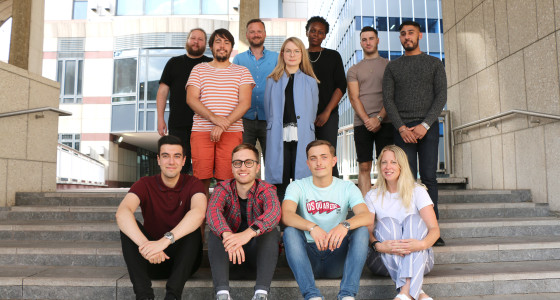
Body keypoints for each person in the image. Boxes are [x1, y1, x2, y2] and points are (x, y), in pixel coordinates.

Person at [116, 135, 207, 300]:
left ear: (184, 160)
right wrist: (148, 246)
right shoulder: (144, 184)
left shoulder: (194, 183)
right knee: (127, 227)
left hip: (185, 262)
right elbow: (122, 213)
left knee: (192, 229)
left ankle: (172, 296)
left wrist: (163, 242)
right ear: (158, 160)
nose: (171, 162)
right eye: (165, 156)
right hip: (151, 259)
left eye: (176, 156)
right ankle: (144, 296)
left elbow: (199, 213)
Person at [281, 140, 373, 300]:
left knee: (362, 230)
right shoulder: (297, 186)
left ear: (333, 160)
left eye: (324, 157)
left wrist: (344, 225)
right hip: (307, 257)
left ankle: (347, 295)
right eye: (313, 158)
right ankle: (312, 295)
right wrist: (312, 227)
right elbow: (286, 215)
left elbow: (366, 216)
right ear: (308, 163)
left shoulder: (348, 187)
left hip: (336, 255)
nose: (319, 163)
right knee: (289, 232)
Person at [382, 20, 447, 246]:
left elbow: (441, 97)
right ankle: (406, 227)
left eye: (411, 33)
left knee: (429, 177)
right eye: (402, 34)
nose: (406, 37)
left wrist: (426, 125)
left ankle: (433, 231)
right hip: (402, 129)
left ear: (419, 36)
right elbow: (388, 100)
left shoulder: (434, 63)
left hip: (427, 128)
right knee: (404, 180)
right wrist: (401, 127)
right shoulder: (393, 67)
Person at [206, 143, 281, 300]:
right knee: (215, 232)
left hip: (258, 261)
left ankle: (261, 294)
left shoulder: (266, 189)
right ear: (232, 167)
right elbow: (212, 212)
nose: (242, 167)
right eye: (237, 163)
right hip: (228, 260)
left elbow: (274, 213)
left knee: (271, 231)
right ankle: (222, 295)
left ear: (257, 167)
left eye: (249, 162)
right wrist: (228, 236)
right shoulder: (223, 188)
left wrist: (247, 234)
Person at [364, 145, 440, 300]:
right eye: (384, 162)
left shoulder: (418, 191)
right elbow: (368, 232)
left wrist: (421, 245)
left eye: (393, 162)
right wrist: (378, 245)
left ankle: (405, 293)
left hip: (421, 256)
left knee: (413, 220)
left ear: (402, 165)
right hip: (383, 259)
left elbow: (434, 229)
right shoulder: (372, 195)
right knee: (388, 223)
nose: (388, 167)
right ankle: (417, 293)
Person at [187, 28, 255, 195]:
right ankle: (200, 221)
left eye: (227, 42)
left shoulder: (242, 72)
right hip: (202, 131)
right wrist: (216, 119)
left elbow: (245, 103)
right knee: (200, 179)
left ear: (231, 47)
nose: (222, 46)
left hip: (231, 132)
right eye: (218, 41)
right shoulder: (199, 69)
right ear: (211, 46)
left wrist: (223, 125)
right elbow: (191, 99)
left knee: (227, 180)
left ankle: (222, 220)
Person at [264, 37, 319, 201]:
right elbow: (268, 111)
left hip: (302, 135)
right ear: (282, 54)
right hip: (278, 135)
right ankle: (281, 225)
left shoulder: (311, 82)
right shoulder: (271, 81)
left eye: (296, 51)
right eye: (288, 51)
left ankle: (299, 222)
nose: (292, 55)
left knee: (301, 180)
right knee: (279, 181)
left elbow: (312, 111)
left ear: (302, 55)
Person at [156, 28, 212, 174]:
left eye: (200, 39)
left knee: (203, 166)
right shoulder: (174, 63)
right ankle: (177, 197)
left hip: (204, 124)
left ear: (205, 43)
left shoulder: (210, 64)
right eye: (193, 38)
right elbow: (162, 92)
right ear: (187, 40)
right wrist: (160, 118)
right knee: (178, 165)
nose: (196, 42)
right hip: (178, 124)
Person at [347, 26, 393, 196]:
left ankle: (386, 203)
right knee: (364, 165)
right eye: (364, 39)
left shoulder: (389, 65)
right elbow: (354, 98)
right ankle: (366, 208)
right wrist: (368, 120)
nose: (368, 42)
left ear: (378, 40)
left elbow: (391, 96)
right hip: (362, 123)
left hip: (386, 121)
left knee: (387, 165)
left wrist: (379, 118)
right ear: (360, 43)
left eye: (371, 38)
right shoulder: (354, 70)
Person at [306, 16, 347, 177]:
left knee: (327, 155)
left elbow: (340, 86)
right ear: (307, 32)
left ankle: (334, 197)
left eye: (320, 32)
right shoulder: (299, 56)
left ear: (325, 36)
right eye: (313, 30)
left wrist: (327, 112)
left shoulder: (333, 56)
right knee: (306, 156)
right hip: (303, 117)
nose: (316, 34)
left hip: (328, 115)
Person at [233, 19, 278, 161]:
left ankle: (272, 185)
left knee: (272, 160)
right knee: (244, 159)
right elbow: (234, 89)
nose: (256, 34)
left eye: (259, 31)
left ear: (265, 34)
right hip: (245, 119)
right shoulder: (239, 60)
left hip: (270, 118)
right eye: (252, 32)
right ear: (246, 35)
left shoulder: (277, 58)